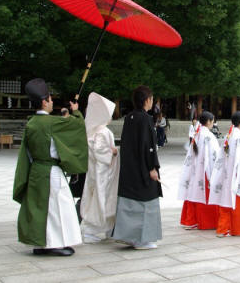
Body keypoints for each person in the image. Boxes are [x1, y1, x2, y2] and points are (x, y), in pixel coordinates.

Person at [13, 79, 87, 256]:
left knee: (39, 209)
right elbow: (76, 126)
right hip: (50, 171)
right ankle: (53, 244)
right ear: (44, 101)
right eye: (50, 99)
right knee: (57, 208)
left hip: (36, 171)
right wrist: (76, 112)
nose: (52, 102)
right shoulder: (52, 122)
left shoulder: (31, 123)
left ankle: (40, 243)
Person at [113, 85, 162, 250]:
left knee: (130, 202)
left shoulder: (129, 117)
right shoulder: (145, 119)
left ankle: (129, 236)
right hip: (143, 168)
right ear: (147, 100)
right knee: (145, 202)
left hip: (130, 168)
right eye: (152, 99)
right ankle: (142, 239)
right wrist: (152, 167)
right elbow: (148, 146)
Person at [80, 93, 119, 243]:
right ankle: (92, 229)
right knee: (101, 198)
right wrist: (113, 152)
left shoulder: (94, 130)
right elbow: (100, 151)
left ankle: (107, 227)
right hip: (102, 172)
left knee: (100, 198)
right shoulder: (103, 131)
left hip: (96, 170)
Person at [179, 111, 220, 230]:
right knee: (204, 196)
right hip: (205, 171)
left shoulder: (197, 134)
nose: (213, 123)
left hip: (195, 170)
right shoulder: (208, 136)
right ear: (208, 122)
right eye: (212, 121)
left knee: (193, 194)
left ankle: (191, 220)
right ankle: (207, 222)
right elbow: (214, 155)